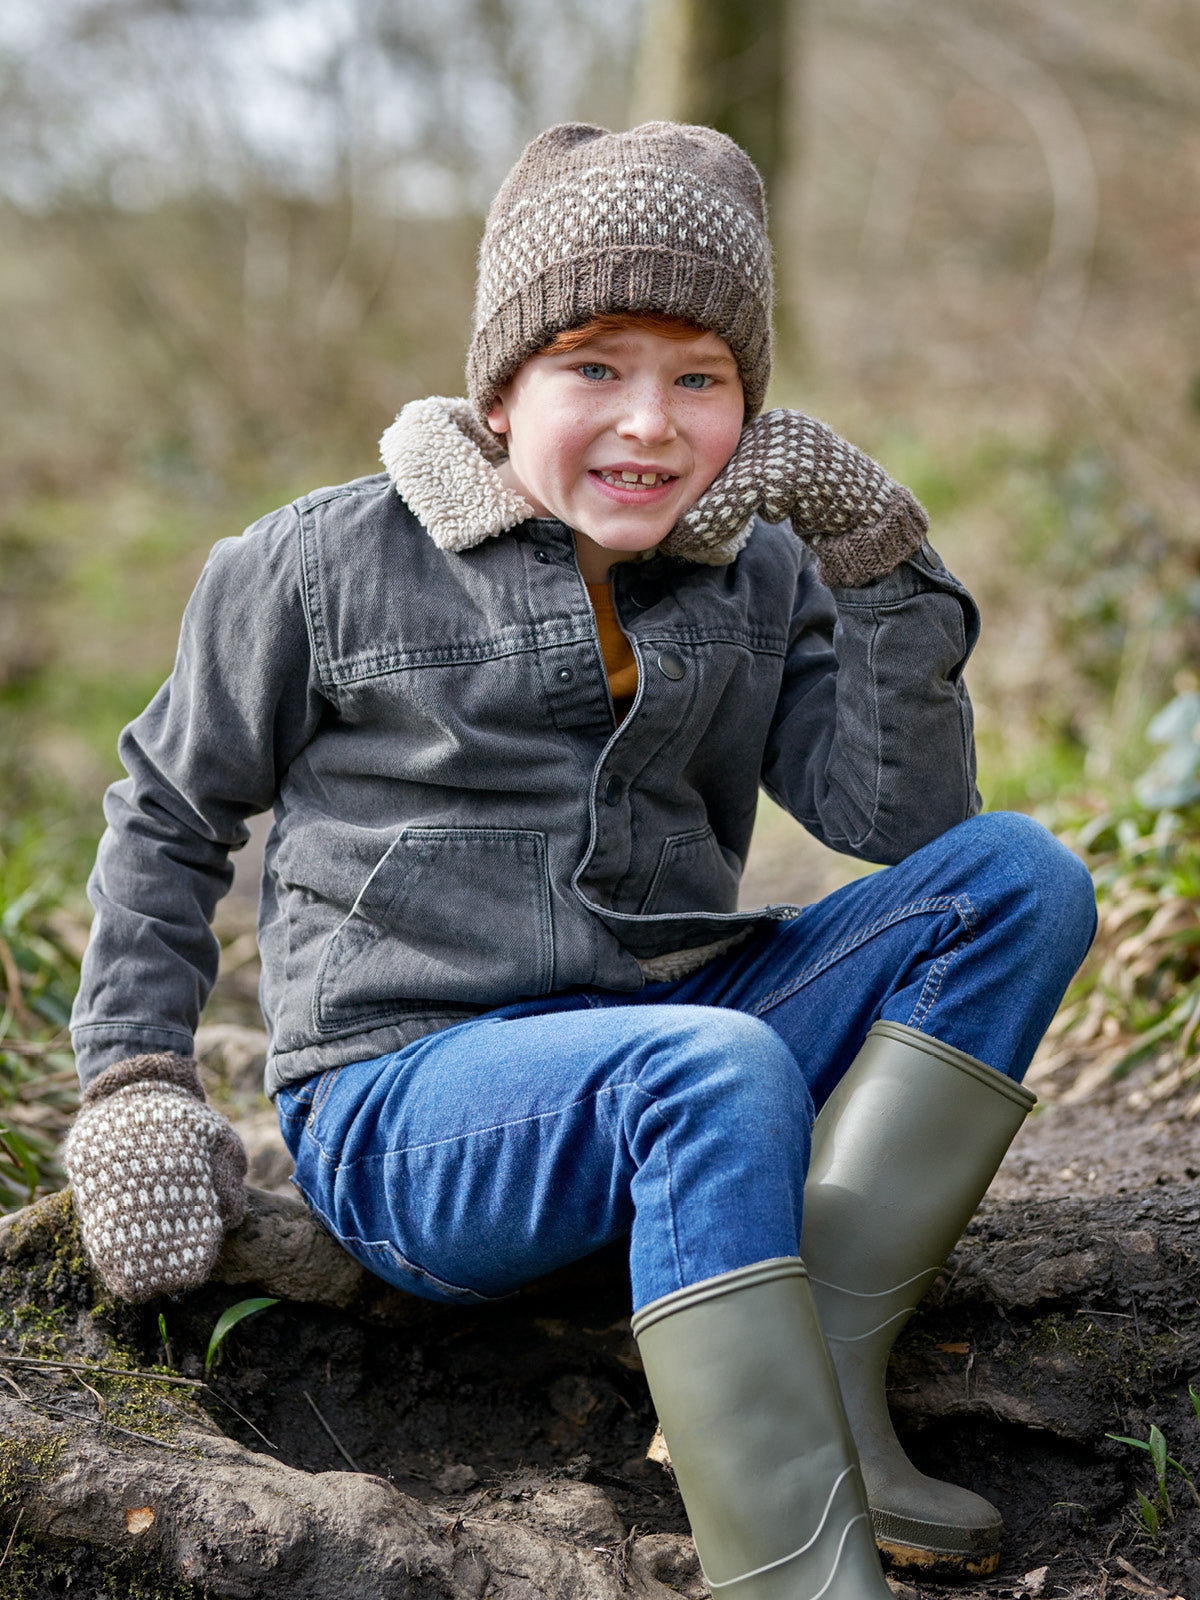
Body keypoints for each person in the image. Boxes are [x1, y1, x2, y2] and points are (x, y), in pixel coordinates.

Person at [63, 122, 1097, 1597]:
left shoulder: (765, 568)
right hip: (412, 1094)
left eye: (702, 380)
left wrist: (878, 563)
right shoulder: (315, 562)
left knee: (1018, 879)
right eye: (595, 369)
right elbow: (168, 815)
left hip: (669, 1036)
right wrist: (136, 1080)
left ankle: (821, 1394)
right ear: (503, 389)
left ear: (752, 399)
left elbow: (900, 822)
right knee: (712, 1063)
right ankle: (790, 1570)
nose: (651, 425)